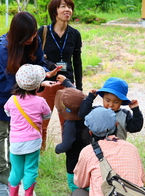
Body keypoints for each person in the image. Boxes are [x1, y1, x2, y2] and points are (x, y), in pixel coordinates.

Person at [0, 11, 60, 185]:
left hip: (23, 90)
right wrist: (40, 83)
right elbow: (14, 79)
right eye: (28, 36)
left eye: (33, 34)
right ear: (18, 34)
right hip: (0, 93)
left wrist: (45, 75)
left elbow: (39, 64)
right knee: (0, 132)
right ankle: (3, 170)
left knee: (15, 132)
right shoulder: (4, 48)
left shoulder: (34, 40)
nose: (32, 39)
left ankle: (14, 168)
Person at [69, 107, 145, 196]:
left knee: (77, 195)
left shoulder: (88, 152)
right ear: (116, 126)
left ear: (90, 132)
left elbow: (80, 183)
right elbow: (141, 179)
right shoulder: (132, 148)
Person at [4, 64, 52, 196]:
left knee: (16, 169)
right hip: (33, 142)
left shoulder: (12, 100)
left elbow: (7, 112)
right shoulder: (40, 101)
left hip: (16, 142)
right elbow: (47, 115)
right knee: (30, 169)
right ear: (37, 85)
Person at [37, 0, 83, 150]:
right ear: (54, 11)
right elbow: (37, 57)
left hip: (66, 85)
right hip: (46, 84)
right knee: (41, 123)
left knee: (68, 124)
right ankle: (39, 155)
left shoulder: (75, 34)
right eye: (63, 6)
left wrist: (78, 88)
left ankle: (69, 158)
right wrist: (51, 66)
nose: (67, 10)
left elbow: (77, 61)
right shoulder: (43, 32)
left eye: (69, 7)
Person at [54, 75, 90, 192]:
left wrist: (58, 148)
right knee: (88, 180)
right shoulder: (88, 115)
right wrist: (66, 82)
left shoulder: (70, 124)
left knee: (75, 185)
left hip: (74, 160)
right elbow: (77, 96)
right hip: (88, 157)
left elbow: (67, 143)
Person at [79, 77, 143, 140]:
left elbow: (135, 127)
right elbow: (83, 114)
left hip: (118, 148)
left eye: (116, 102)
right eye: (107, 100)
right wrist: (90, 98)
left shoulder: (124, 115)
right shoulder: (96, 112)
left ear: (121, 102)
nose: (111, 105)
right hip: (98, 148)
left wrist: (135, 110)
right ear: (103, 98)